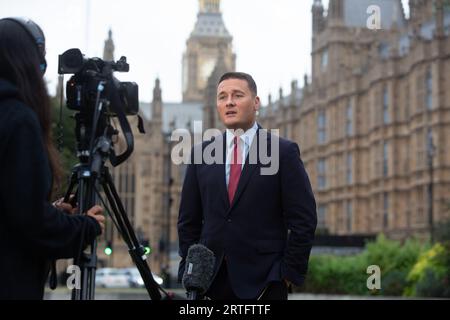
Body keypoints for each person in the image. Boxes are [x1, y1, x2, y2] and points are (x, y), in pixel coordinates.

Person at [178, 72, 317, 300]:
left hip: (265, 284)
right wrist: (190, 268)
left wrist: (287, 274)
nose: (229, 101)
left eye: (237, 95)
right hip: (209, 285)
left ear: (256, 103)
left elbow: (304, 219)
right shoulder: (201, 154)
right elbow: (188, 221)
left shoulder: (282, 152)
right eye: (222, 97)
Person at [0, 17, 105, 300]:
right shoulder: (18, 120)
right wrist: (85, 227)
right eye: (40, 64)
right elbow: (32, 226)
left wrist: (51, 210)